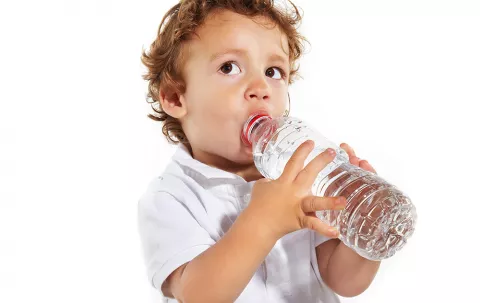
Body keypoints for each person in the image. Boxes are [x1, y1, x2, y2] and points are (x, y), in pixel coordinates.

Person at [138, 1, 380, 302]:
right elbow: (198, 295)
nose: (260, 86)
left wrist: (363, 231)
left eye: (273, 71)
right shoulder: (171, 198)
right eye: (229, 67)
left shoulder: (300, 175)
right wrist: (264, 221)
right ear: (176, 97)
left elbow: (343, 281)